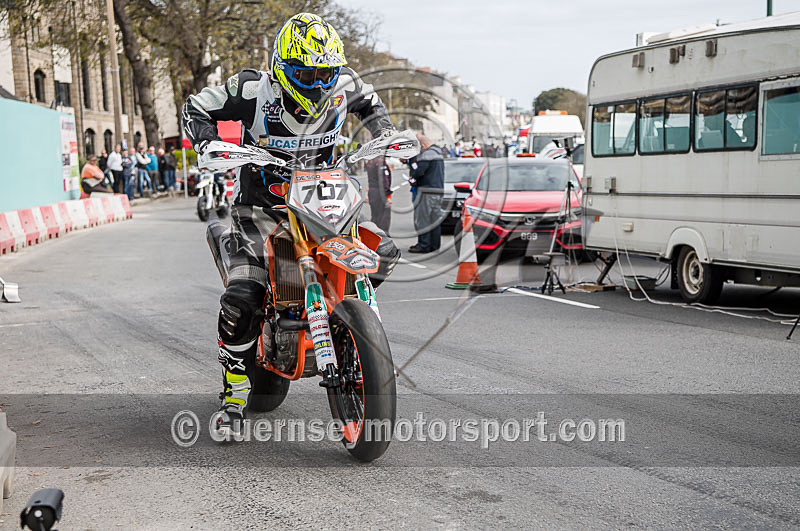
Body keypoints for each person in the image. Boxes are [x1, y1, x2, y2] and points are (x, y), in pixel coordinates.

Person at [182, 12, 402, 431]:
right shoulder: (250, 88)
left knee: (385, 253)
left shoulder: (346, 82)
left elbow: (372, 105)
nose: (320, 84)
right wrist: (208, 141)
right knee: (242, 297)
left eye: (327, 74)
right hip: (262, 209)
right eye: (307, 74)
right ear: (282, 69)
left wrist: (383, 132)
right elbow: (196, 106)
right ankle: (233, 395)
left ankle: (344, 321)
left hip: (326, 200)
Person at [407, 133, 445, 253]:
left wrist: (412, 179)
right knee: (434, 220)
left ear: (423, 145)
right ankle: (435, 245)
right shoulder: (439, 153)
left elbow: (419, 172)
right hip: (438, 191)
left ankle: (423, 245)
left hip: (426, 191)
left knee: (423, 220)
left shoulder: (427, 154)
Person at [366, 156, 392, 232]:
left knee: (375, 215)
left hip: (372, 191)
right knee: (384, 216)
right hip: (380, 192)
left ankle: (374, 235)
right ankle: (383, 236)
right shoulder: (380, 162)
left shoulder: (370, 161)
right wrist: (387, 195)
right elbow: (385, 180)